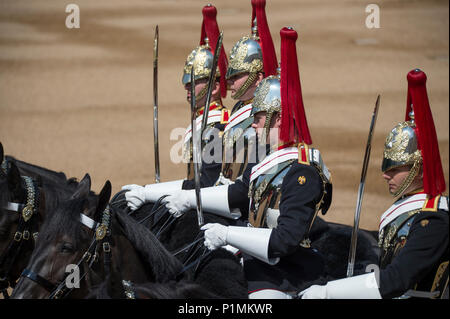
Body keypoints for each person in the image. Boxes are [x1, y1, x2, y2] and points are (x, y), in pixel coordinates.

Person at [199, 27, 333, 299]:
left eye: (260, 117)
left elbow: (284, 240)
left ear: (279, 119)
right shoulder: (265, 164)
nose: (255, 123)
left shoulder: (301, 171)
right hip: (258, 262)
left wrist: (227, 235)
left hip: (288, 274)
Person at [299, 69, 449, 299]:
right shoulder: (409, 210)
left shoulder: (434, 220)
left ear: (419, 170)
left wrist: (330, 292)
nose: (385, 176)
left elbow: (397, 279)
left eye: (396, 170)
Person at [160, 0, 279, 223]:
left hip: (245, 212)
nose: (230, 81)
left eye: (236, 76)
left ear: (259, 76)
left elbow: (244, 185)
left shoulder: (263, 119)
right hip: (223, 199)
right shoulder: (239, 109)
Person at [122, 4, 230, 210]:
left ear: (215, 87)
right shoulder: (204, 122)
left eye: (194, 82)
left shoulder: (217, 128)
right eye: (187, 83)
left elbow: (207, 184)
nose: (187, 87)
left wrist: (151, 193)